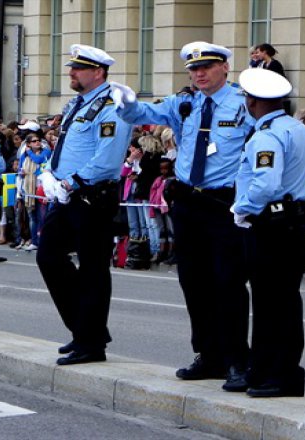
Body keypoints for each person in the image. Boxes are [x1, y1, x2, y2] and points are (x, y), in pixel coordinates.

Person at [110, 41, 254, 389]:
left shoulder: (243, 104)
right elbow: (144, 115)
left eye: (206, 67)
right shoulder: (185, 103)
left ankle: (238, 359)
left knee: (228, 282)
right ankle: (208, 354)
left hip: (224, 202)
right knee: (194, 281)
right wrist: (128, 104)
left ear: (224, 67)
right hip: (189, 201)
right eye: (193, 69)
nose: (199, 74)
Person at [35, 44, 131, 366]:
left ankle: (89, 342)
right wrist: (50, 173)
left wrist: (70, 182)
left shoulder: (110, 106)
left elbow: (107, 158)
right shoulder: (78, 103)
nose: (71, 73)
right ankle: (85, 329)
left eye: (79, 68)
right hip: (66, 195)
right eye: (72, 67)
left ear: (99, 72)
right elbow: (66, 147)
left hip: (92, 196)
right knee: (48, 256)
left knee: (92, 270)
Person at [232, 68, 305, 397]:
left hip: (272, 224)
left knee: (270, 303)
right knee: (284, 301)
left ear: (252, 102)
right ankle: (269, 369)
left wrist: (243, 208)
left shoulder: (266, 135)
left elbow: (266, 183)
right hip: (294, 222)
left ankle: (278, 374)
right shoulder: (298, 129)